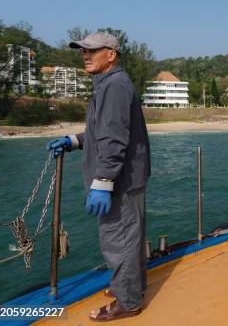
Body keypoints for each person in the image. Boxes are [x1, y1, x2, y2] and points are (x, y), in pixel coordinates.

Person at [46, 31, 151, 322]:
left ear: (111, 55)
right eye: (83, 51)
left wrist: (103, 182)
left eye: (92, 51)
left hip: (120, 181)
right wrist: (75, 140)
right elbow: (103, 132)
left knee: (118, 242)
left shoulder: (114, 85)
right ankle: (132, 286)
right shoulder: (109, 83)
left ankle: (128, 302)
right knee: (129, 238)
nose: (85, 55)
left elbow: (115, 139)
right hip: (127, 177)